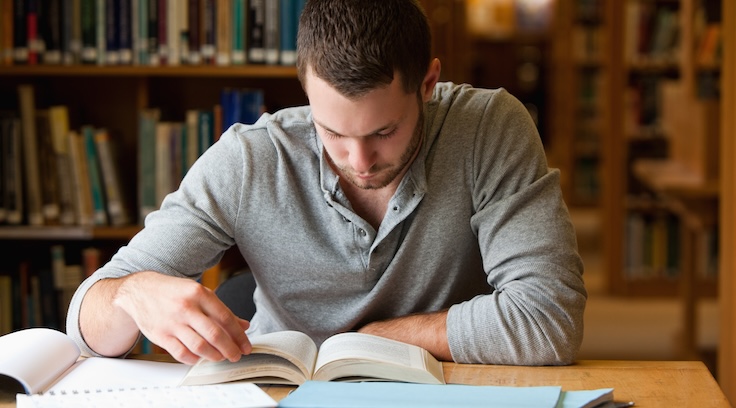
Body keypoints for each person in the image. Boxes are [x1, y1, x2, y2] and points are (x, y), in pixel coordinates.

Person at [66, 0, 586, 367]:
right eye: (332, 131)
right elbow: (85, 326)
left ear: (428, 84)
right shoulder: (251, 158)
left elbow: (548, 320)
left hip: (441, 387)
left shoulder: (488, 127)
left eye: (384, 131)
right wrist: (132, 294)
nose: (358, 160)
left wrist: (380, 339)